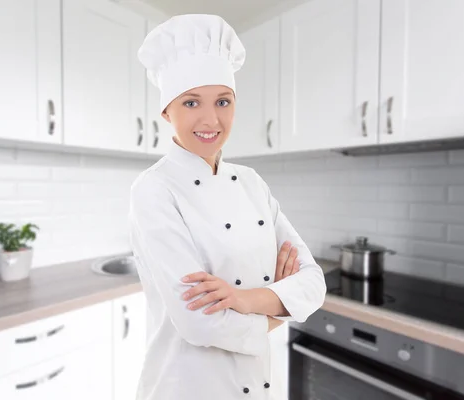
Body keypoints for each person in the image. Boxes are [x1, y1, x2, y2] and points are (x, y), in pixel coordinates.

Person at [129, 14, 327, 400]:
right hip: (185, 385)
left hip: (256, 384)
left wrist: (242, 300)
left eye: (223, 101)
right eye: (191, 102)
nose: (210, 119)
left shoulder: (252, 182)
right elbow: (200, 323)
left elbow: (314, 282)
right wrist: (279, 303)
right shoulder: (154, 189)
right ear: (167, 113)